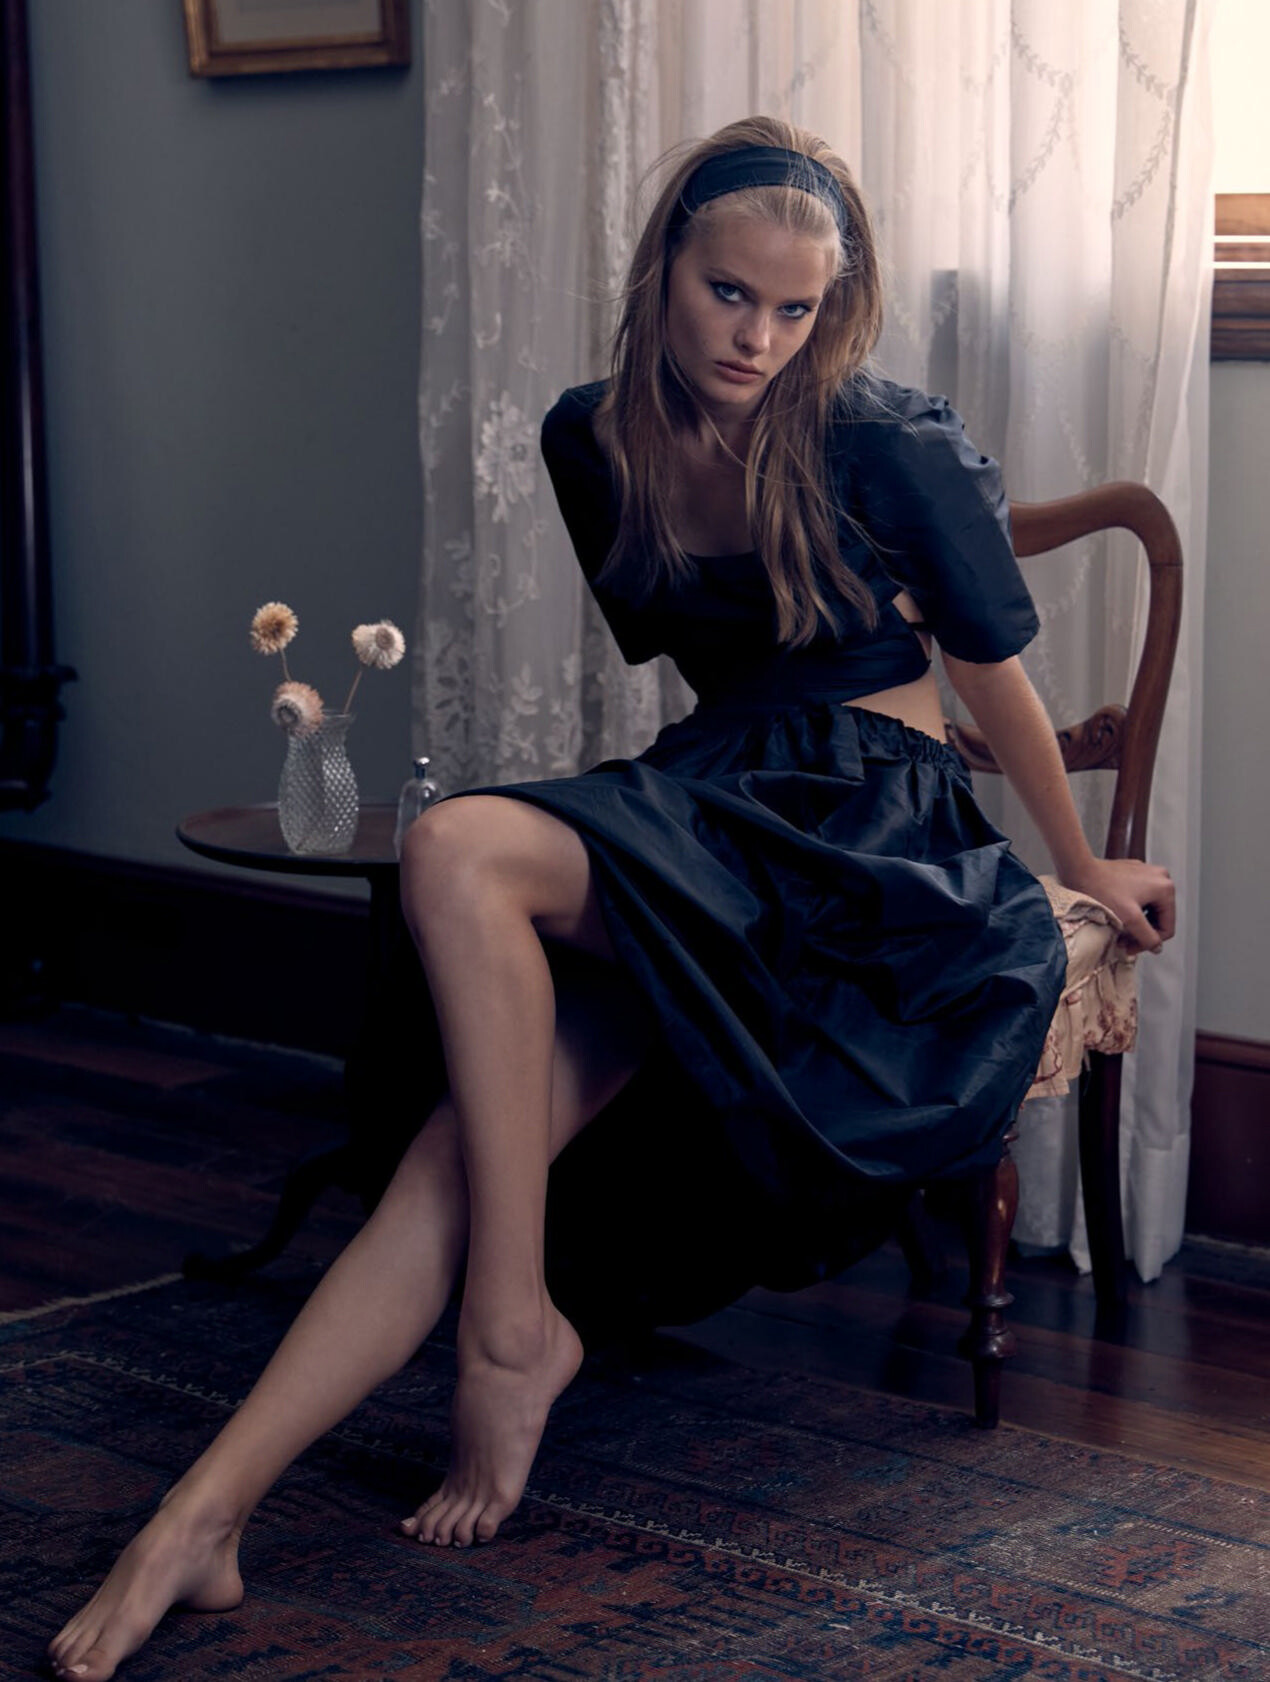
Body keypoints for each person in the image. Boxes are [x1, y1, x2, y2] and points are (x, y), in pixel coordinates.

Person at [47, 115, 1175, 1681]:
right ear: (663, 273)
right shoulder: (590, 440)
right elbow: (715, 671)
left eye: (794, 310)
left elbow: (988, 676)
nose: (757, 338)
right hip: (708, 797)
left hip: (865, 829)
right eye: (728, 294)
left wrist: (1077, 861)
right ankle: (204, 1511)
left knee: (459, 863)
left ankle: (505, 1326)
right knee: (463, 1087)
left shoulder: (881, 437)